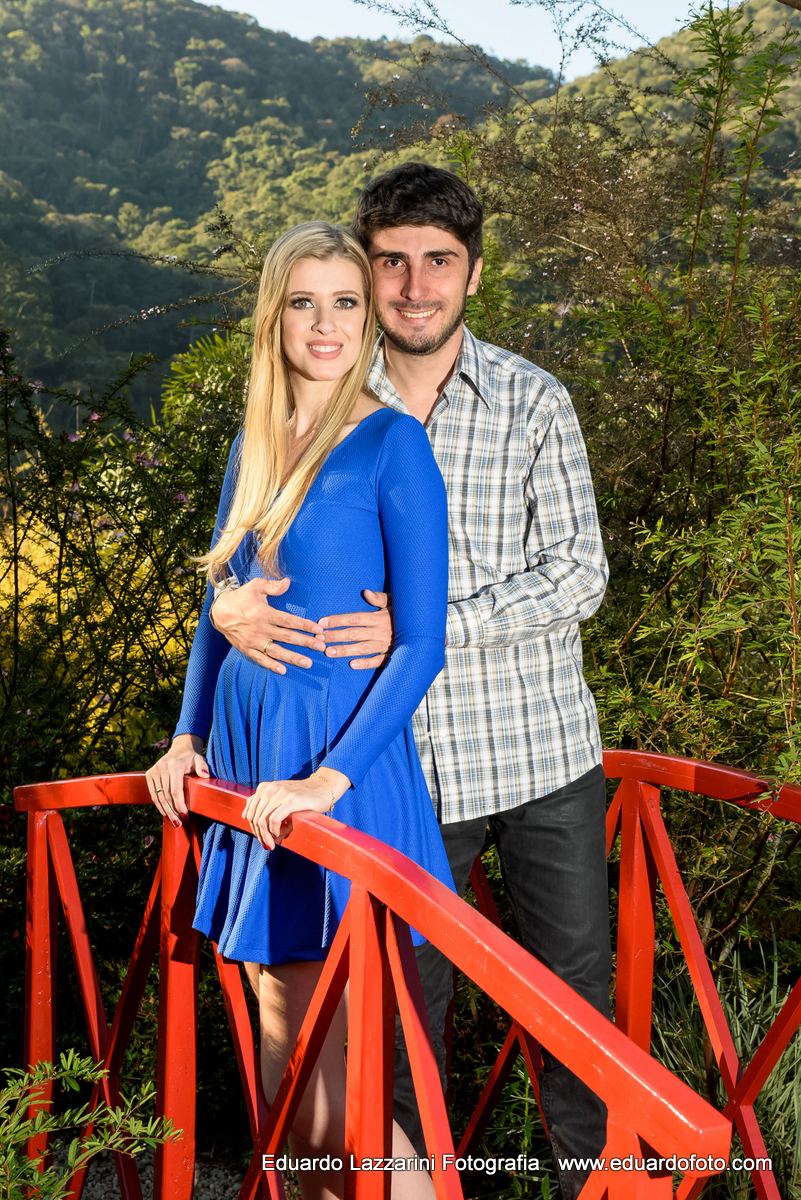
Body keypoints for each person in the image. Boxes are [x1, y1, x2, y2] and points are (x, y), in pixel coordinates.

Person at [203, 165, 613, 1200]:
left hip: (531, 752)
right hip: (401, 767)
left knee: (569, 1010)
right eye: (392, 264)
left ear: (473, 276)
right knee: (392, 1024)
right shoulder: (330, 393)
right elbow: (254, 558)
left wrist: (426, 628)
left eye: (440, 263)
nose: (414, 285)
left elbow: (580, 573)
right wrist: (223, 607)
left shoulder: (532, 400)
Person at [146, 220, 457, 1200]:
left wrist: (330, 777)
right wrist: (186, 731)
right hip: (246, 772)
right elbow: (219, 602)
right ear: (274, 315)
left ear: (368, 321)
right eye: (304, 302)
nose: (325, 324)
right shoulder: (253, 440)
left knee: (340, 1107)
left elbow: (420, 643)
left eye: (346, 303)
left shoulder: (391, 443)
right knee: (290, 1094)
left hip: (334, 777)